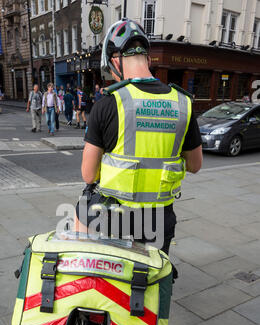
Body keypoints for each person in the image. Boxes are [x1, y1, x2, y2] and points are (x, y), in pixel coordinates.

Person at [74, 19, 203, 269]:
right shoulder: (183, 104)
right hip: (158, 218)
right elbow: (195, 165)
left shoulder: (108, 104)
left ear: (115, 62)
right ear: (148, 60)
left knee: (109, 284)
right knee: (147, 283)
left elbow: (88, 174)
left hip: (112, 217)